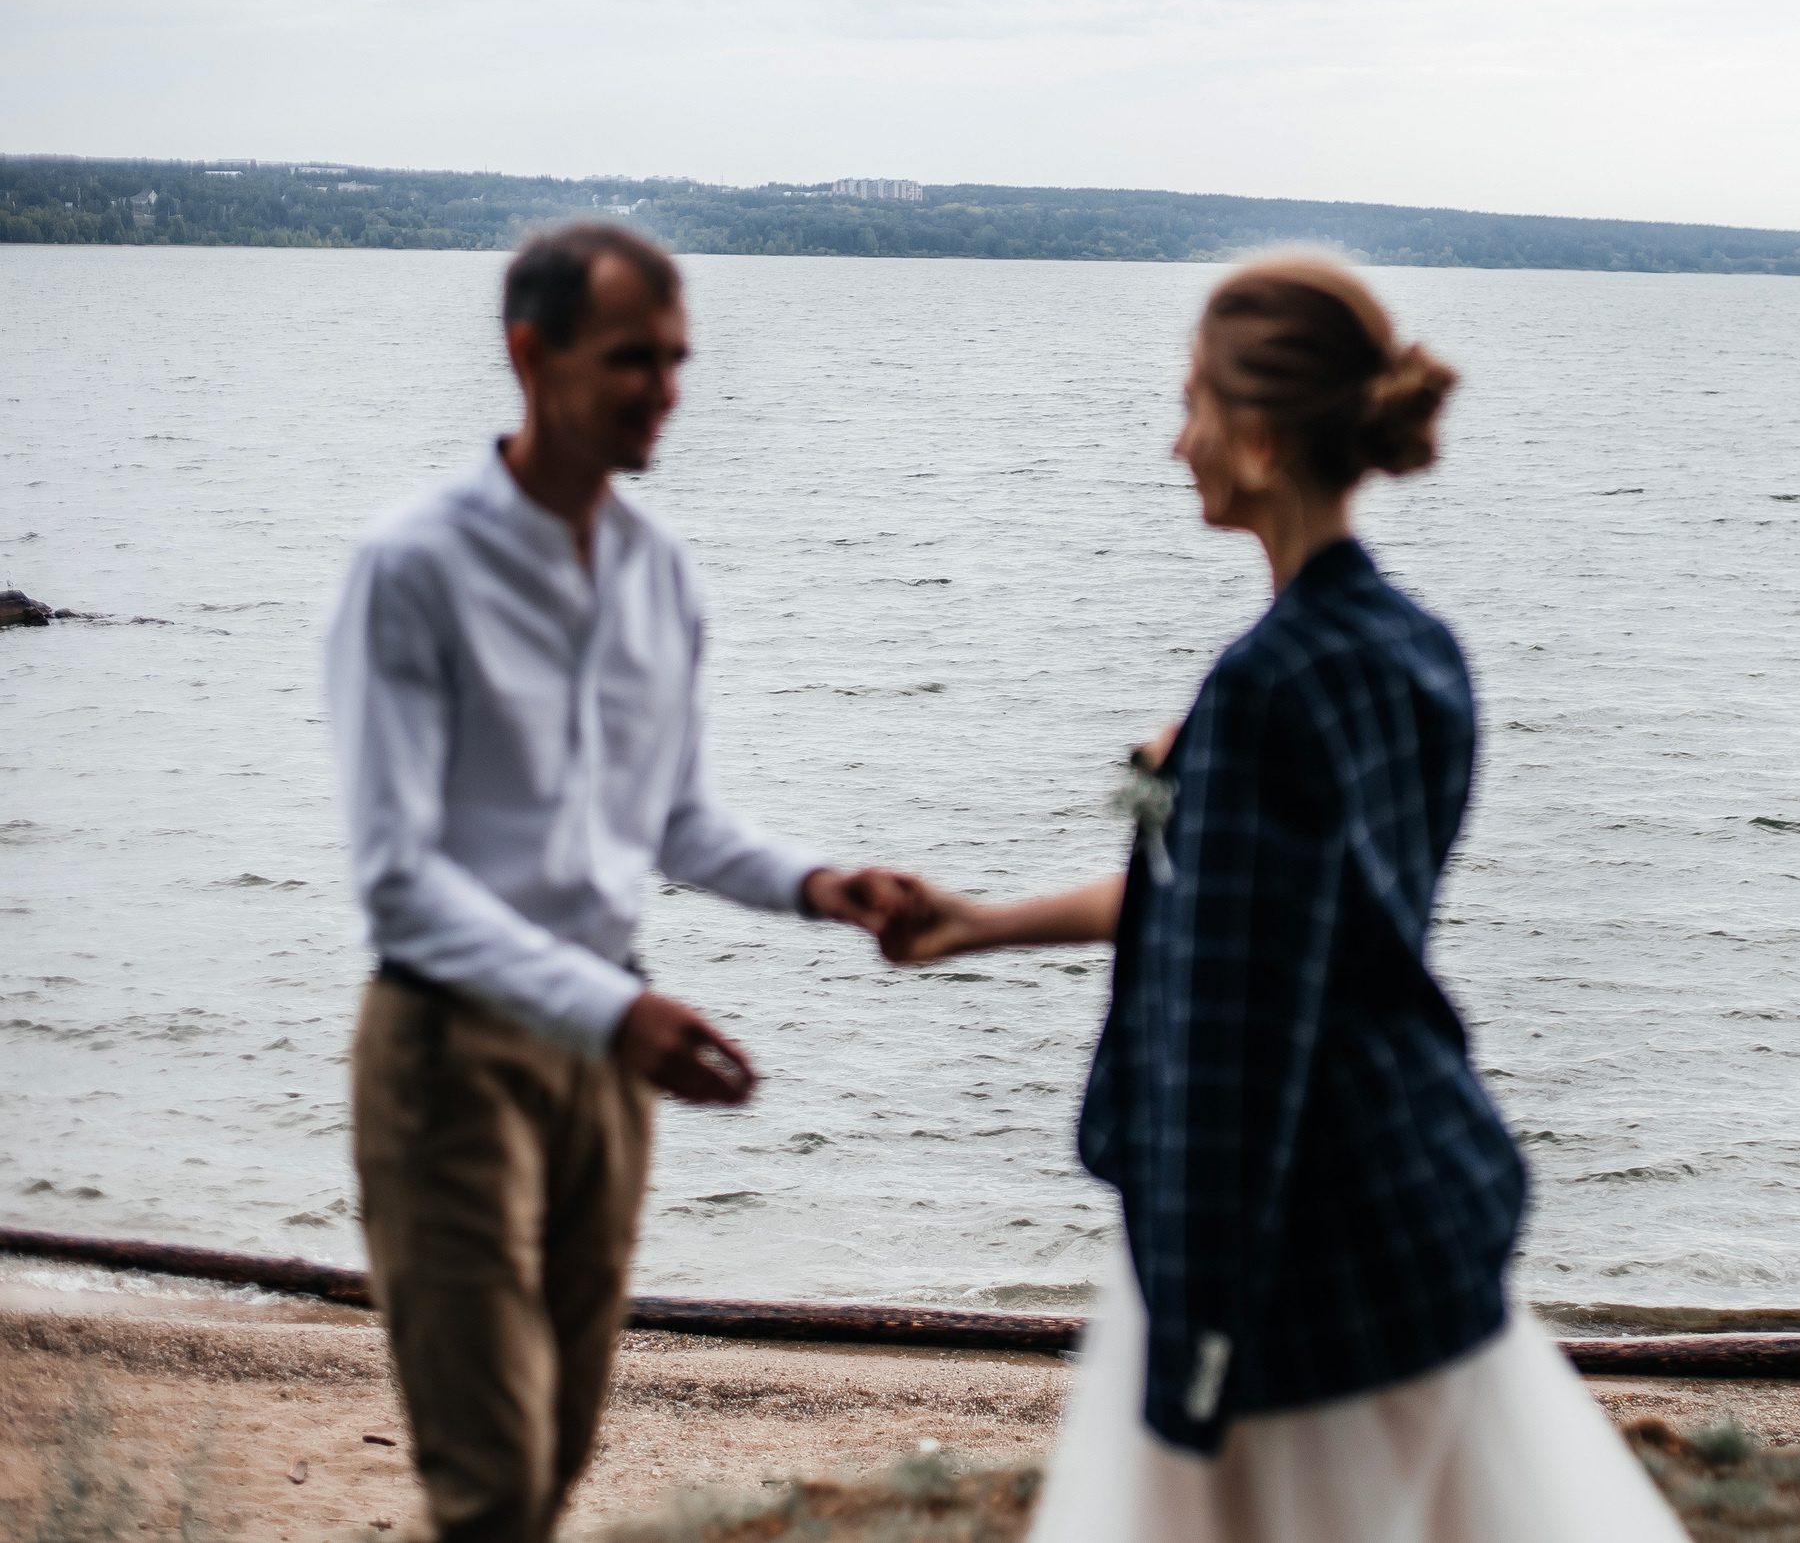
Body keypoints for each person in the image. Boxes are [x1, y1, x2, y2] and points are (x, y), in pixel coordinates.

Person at [869, 259, 1687, 1542]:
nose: (1173, 438)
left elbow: (1232, 1046)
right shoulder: (1415, 650)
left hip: (1284, 1248)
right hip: (1419, 1189)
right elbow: (1265, 918)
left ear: (1255, 436)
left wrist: (1194, 1340)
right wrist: (979, 922)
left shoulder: (1262, 690)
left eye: (1190, 402)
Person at [325, 224, 893, 1543]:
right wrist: (614, 1011)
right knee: (492, 1478)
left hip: (604, 1064)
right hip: (448, 1052)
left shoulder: (661, 574)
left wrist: (819, 883)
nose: (667, 389)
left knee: (556, 1458)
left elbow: (676, 819)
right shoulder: (413, 566)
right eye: (633, 358)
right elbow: (398, 879)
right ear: (530, 355)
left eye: (678, 360)